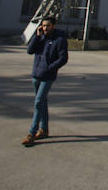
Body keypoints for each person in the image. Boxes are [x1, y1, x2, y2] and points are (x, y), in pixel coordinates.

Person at [22, 18, 68, 146]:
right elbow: (29, 51)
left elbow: (63, 58)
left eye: (48, 25)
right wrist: (37, 37)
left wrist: (50, 68)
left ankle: (32, 133)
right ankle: (44, 129)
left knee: (38, 103)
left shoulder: (60, 40)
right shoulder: (40, 38)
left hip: (47, 76)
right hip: (36, 75)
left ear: (53, 26)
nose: (45, 28)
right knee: (42, 102)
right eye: (43, 25)